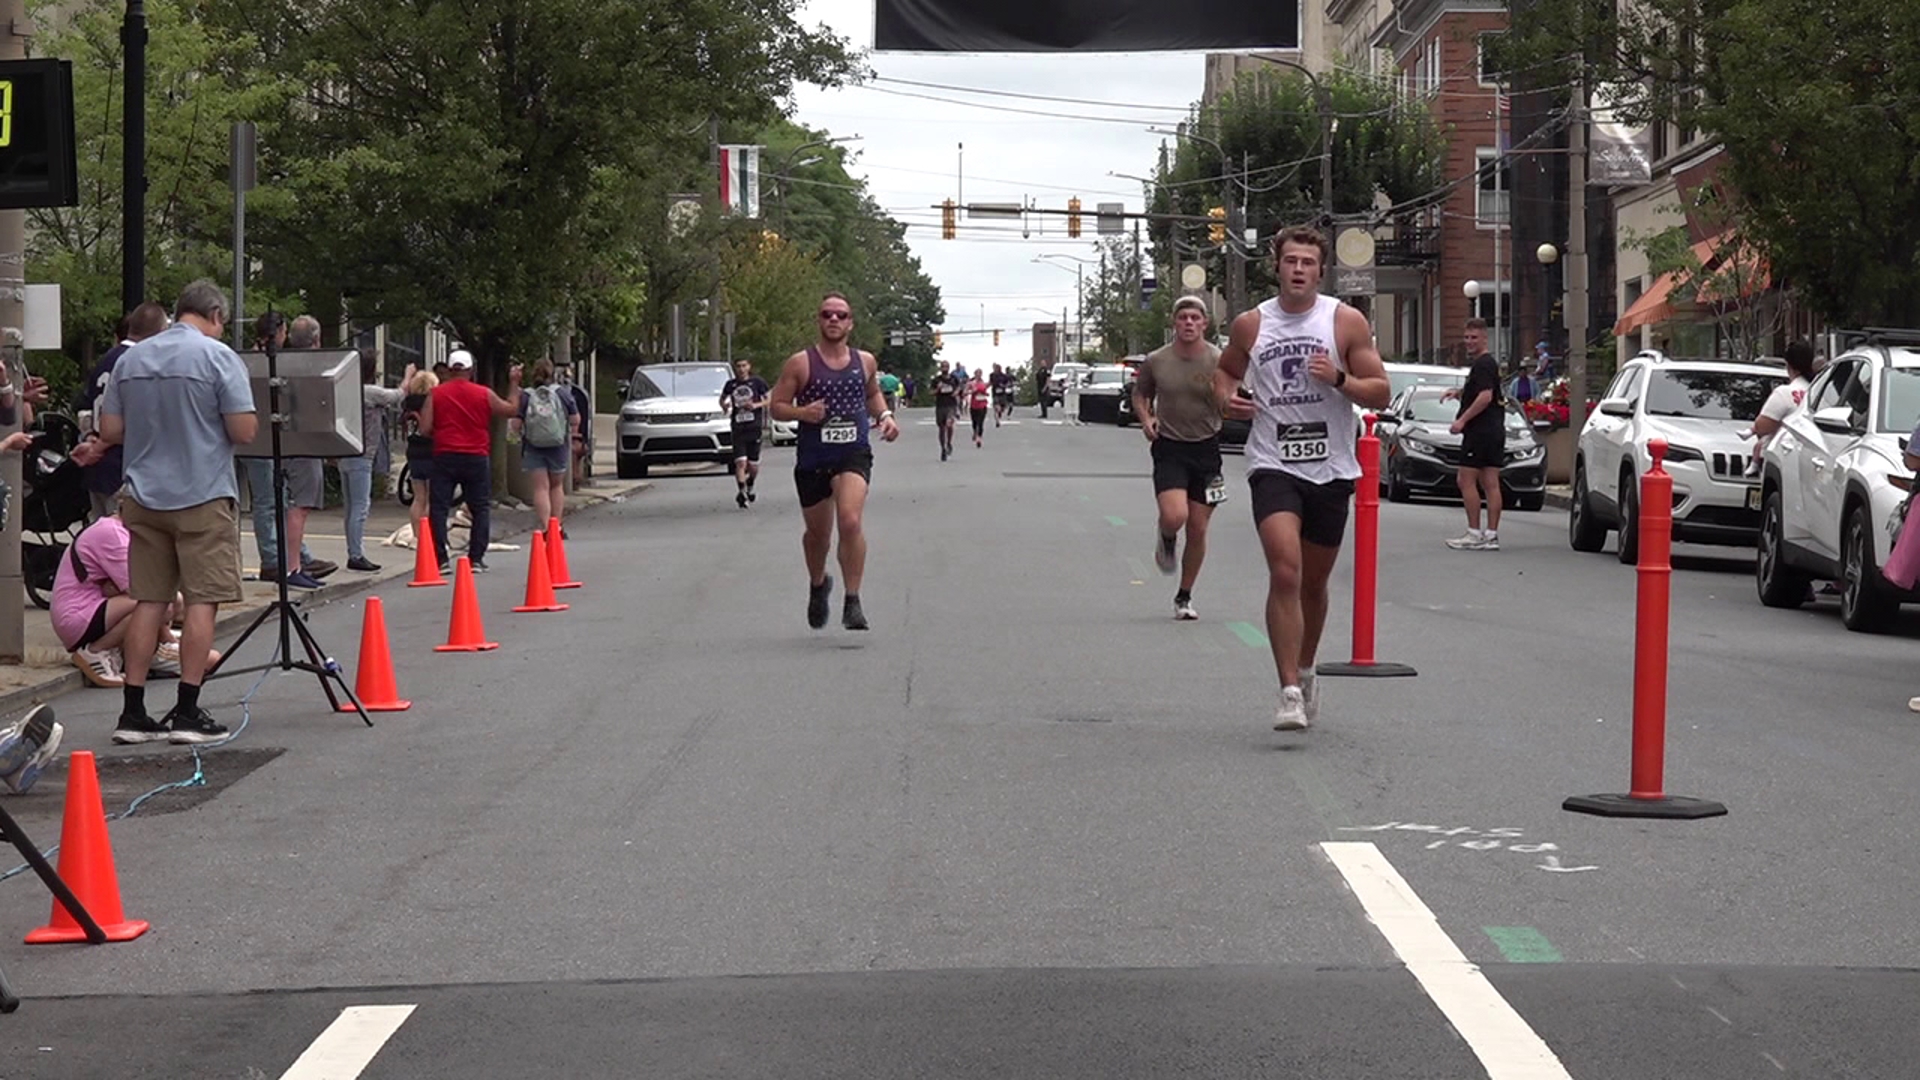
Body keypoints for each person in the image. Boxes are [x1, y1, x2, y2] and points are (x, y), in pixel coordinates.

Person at [1214, 226, 1391, 733]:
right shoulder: (1252, 325)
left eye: (1308, 262)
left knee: (1313, 582)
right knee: (1285, 571)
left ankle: (1308, 667)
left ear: (1321, 269)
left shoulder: (1344, 322)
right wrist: (1229, 398)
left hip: (1331, 467)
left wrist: (1339, 379)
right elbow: (1224, 375)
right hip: (1273, 462)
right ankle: (1288, 688)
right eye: (1290, 260)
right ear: (1277, 266)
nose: (1298, 270)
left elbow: (1379, 391)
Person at [96, 279, 257, 744]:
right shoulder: (218, 357)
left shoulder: (133, 358)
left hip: (143, 496)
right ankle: (187, 709)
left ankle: (133, 712)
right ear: (216, 316)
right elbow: (244, 430)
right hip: (201, 493)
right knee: (202, 600)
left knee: (150, 601)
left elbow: (110, 428)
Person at [767, 291, 901, 631]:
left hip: (852, 451)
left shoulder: (865, 361)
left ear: (850, 323)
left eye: (841, 315)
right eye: (827, 314)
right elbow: (777, 405)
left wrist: (885, 415)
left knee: (851, 521)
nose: (834, 320)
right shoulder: (801, 363)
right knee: (818, 535)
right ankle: (817, 584)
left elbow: (871, 393)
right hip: (813, 456)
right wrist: (803, 412)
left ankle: (852, 600)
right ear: (819, 320)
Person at [1134, 295, 1225, 621]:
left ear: (1204, 324)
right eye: (1183, 317)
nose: (1188, 323)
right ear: (1174, 323)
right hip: (1170, 446)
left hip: (1208, 450)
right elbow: (1141, 393)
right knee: (1175, 515)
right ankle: (1167, 536)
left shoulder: (1218, 359)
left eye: (1194, 318)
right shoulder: (1157, 360)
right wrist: (1146, 419)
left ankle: (1184, 596)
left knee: (1199, 529)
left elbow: (1231, 395)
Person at [52, 513, 215, 689]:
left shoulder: (125, 531)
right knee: (161, 603)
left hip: (94, 610)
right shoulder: (112, 534)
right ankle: (97, 651)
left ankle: (144, 647)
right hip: (78, 616)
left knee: (165, 600)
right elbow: (143, 588)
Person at [239, 314, 332, 585]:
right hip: (262, 436)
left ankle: (294, 556)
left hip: (261, 435)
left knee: (277, 499)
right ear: (278, 331)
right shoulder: (263, 360)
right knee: (269, 501)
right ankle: (273, 560)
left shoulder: (254, 359)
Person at [418, 349, 521, 574]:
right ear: (471, 370)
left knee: (439, 507)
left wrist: (443, 431)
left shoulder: (436, 394)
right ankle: (475, 558)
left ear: (450, 369)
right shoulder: (484, 393)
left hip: (445, 455)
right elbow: (511, 409)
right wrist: (514, 383)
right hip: (476, 456)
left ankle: (441, 559)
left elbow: (425, 428)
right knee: (480, 507)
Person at [73, 302, 171, 521]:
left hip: (96, 466)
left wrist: (90, 439)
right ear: (161, 332)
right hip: (123, 465)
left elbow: (84, 406)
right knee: (123, 546)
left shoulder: (105, 360)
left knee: (100, 542)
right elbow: (137, 416)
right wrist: (101, 445)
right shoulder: (140, 363)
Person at [344, 350, 412, 572]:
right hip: (362, 455)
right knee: (360, 507)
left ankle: (353, 550)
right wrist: (408, 376)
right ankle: (356, 554)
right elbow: (397, 395)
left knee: (350, 507)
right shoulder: (369, 392)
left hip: (345, 452)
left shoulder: (345, 391)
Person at [1442, 318, 1505, 551]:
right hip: (1494, 430)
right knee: (1490, 482)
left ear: (1485, 338)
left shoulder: (1483, 364)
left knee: (1465, 480)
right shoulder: (1486, 365)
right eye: (1467, 337)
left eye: (1474, 338)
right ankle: (1491, 535)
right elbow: (1480, 390)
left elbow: (1485, 396)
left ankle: (1474, 533)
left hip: (1480, 432)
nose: (1469, 342)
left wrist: (1462, 420)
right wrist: (1458, 393)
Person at [516, 358, 580, 528]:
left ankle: (545, 526)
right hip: (558, 445)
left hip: (533, 445)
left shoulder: (526, 395)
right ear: (552, 374)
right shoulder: (561, 393)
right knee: (556, 486)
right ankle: (556, 525)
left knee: (540, 488)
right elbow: (575, 419)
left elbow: (516, 424)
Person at [1749, 339, 1816, 474]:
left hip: (1781, 461)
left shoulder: (1785, 393)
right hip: (1814, 461)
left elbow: (1762, 426)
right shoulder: (1820, 392)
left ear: (1788, 365)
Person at [719, 358, 770, 508]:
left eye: (744, 365)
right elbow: (722, 399)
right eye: (739, 366)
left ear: (749, 366)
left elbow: (769, 399)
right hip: (738, 427)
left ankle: (750, 485)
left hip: (754, 427)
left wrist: (755, 405)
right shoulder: (731, 385)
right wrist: (724, 406)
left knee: (753, 466)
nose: (741, 369)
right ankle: (741, 493)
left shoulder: (757, 382)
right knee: (740, 462)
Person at [399, 369, 438, 518]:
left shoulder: (408, 406)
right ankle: (429, 535)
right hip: (431, 452)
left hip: (413, 454)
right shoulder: (431, 404)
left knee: (418, 498)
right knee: (431, 499)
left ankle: (417, 536)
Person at [930, 359, 962, 461]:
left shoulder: (953, 378)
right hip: (940, 405)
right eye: (943, 366)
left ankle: (949, 443)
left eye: (946, 367)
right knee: (941, 428)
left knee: (949, 424)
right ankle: (943, 448)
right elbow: (931, 392)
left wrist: (956, 392)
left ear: (949, 368)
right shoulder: (936, 380)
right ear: (940, 368)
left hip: (951, 405)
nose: (945, 368)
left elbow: (959, 386)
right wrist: (938, 389)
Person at [967, 368, 992, 448]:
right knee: (974, 422)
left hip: (983, 405)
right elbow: (965, 392)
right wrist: (971, 391)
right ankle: (975, 431)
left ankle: (979, 438)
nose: (979, 375)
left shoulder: (984, 383)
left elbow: (987, 388)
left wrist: (986, 394)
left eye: (980, 373)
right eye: (977, 373)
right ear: (975, 374)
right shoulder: (971, 383)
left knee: (980, 422)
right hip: (974, 405)